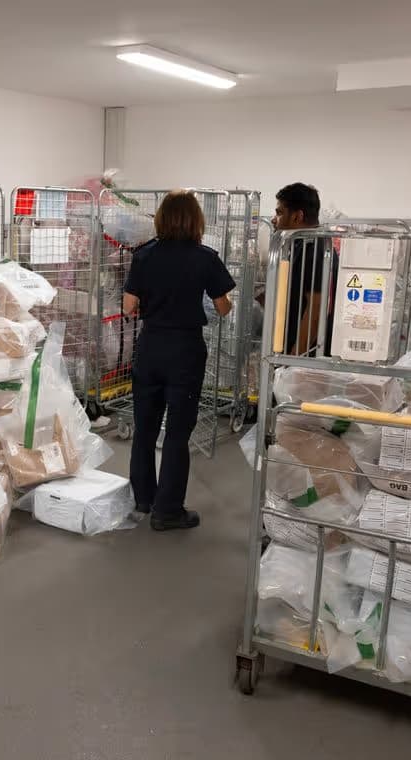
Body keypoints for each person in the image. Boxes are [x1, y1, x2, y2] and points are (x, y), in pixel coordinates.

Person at [123, 190, 236, 531]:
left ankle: (143, 498)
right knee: (176, 432)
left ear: (161, 218)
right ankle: (168, 510)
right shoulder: (205, 258)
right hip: (185, 349)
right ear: (195, 220)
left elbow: (129, 306)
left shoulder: (144, 256)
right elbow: (222, 306)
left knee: (144, 427)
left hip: (150, 345)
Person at [253, 182, 335, 355]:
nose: (274, 219)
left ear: (298, 216)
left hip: (304, 358)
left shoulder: (316, 249)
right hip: (288, 349)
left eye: (280, 212)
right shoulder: (298, 245)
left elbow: (316, 309)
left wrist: (294, 357)